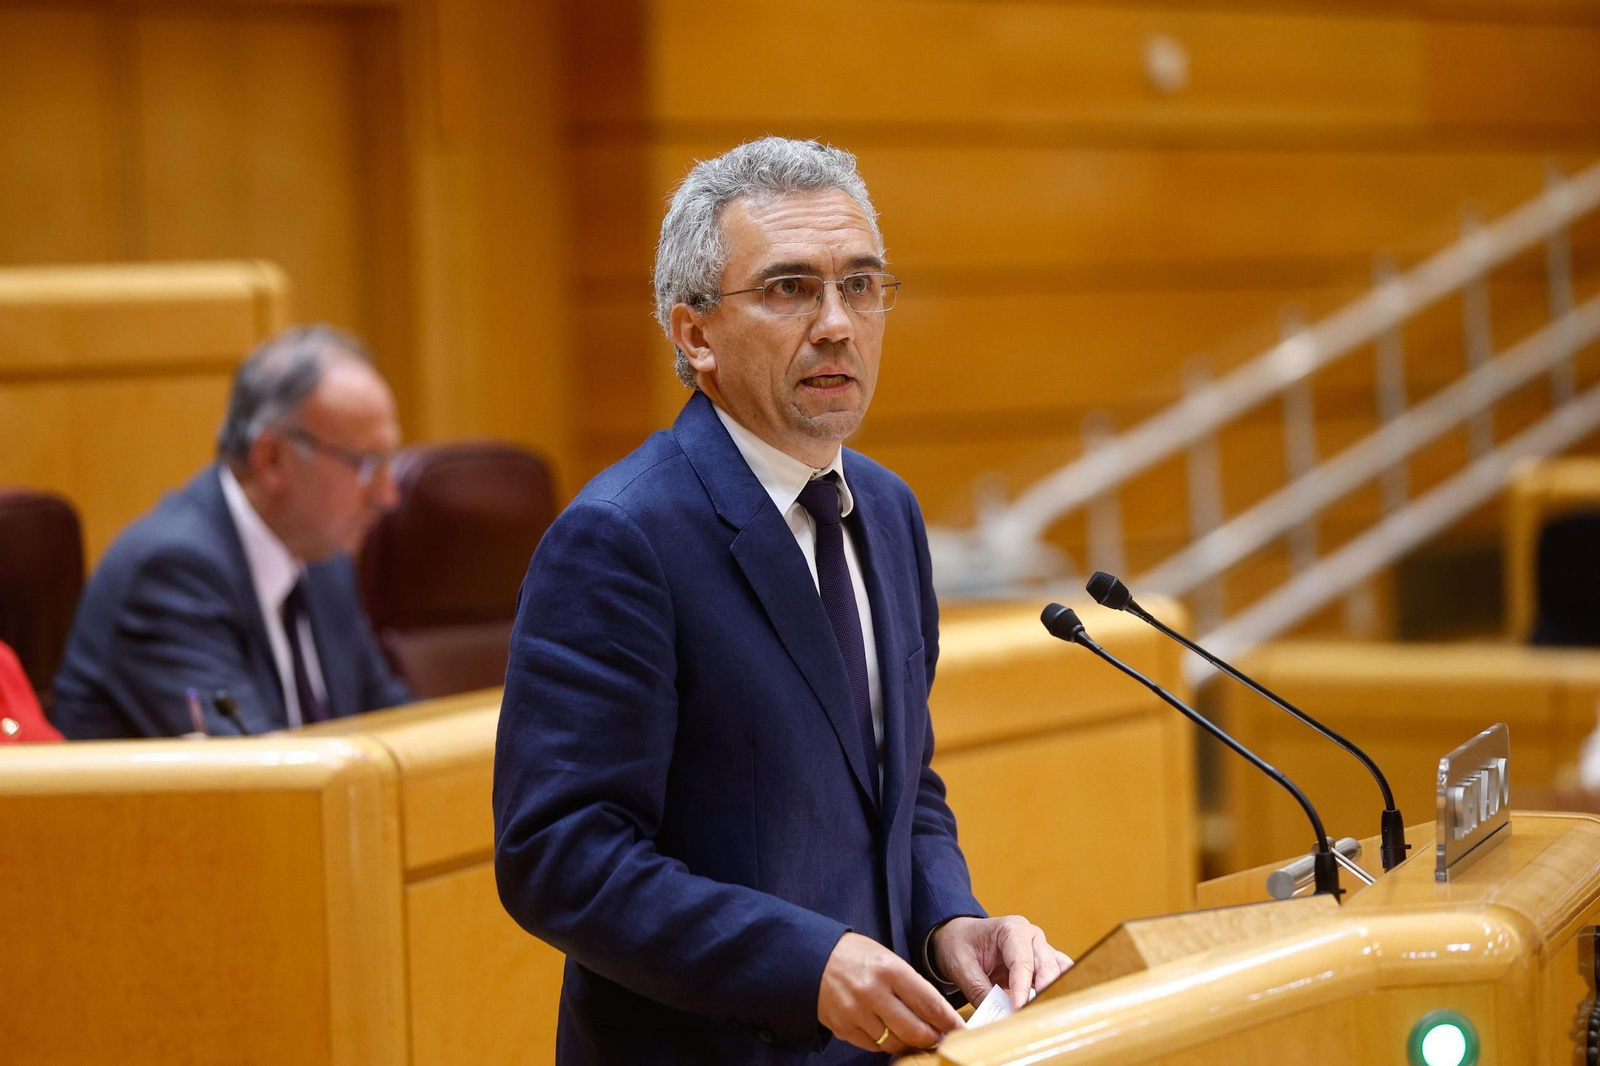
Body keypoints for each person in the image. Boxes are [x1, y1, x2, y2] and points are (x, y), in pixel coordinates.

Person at [493, 137, 1070, 1065]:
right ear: (694, 335)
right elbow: (560, 857)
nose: (837, 324)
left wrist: (949, 924)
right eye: (790, 288)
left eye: (861, 285)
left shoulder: (886, 510)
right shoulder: (620, 538)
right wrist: (804, 964)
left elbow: (899, 786)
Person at [52, 325, 413, 738]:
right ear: (273, 459)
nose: (387, 496)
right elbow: (248, 761)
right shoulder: (171, 574)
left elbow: (393, 722)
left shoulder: (323, 558)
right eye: (366, 464)